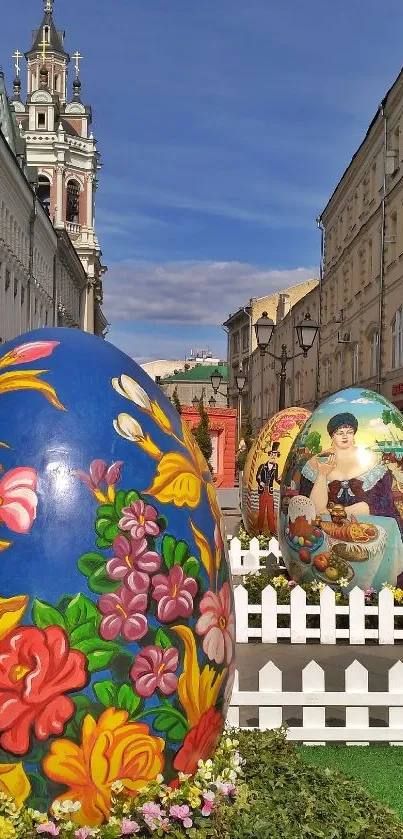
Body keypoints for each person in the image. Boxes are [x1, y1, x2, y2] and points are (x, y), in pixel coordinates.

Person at [300, 412, 403, 533]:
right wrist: (322, 474)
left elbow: (383, 504)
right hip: (325, 530)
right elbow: (313, 509)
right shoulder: (316, 462)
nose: (345, 436)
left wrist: (338, 511)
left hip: (369, 530)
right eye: (339, 433)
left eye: (349, 432)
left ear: (354, 434)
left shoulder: (373, 461)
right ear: (332, 436)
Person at [256, 441, 281, 534]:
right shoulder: (262, 466)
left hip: (270, 491)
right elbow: (257, 477)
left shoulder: (276, 466)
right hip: (262, 491)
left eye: (275, 455)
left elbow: (276, 479)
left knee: (271, 512)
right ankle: (260, 530)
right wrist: (260, 482)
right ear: (269, 455)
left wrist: (281, 482)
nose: (273, 457)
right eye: (272, 454)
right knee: (261, 511)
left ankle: (272, 530)